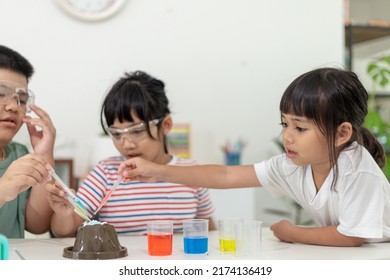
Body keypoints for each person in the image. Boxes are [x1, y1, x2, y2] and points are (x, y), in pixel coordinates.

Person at [118, 67, 390, 247]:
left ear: (341, 134)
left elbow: (351, 237)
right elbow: (226, 176)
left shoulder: (357, 169)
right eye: (284, 125)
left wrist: (291, 232)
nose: (287, 136)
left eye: (300, 127)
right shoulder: (292, 165)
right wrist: (158, 170)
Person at [47, 70, 216, 237]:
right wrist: (64, 215)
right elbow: (65, 231)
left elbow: (208, 230)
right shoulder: (106, 173)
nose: (126, 144)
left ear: (165, 125)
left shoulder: (191, 173)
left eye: (137, 131)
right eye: (117, 134)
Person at [0, 45, 56, 238]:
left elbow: (37, 225)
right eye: (0, 94)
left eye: (22, 100)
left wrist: (43, 154)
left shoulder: (19, 155)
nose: (13, 106)